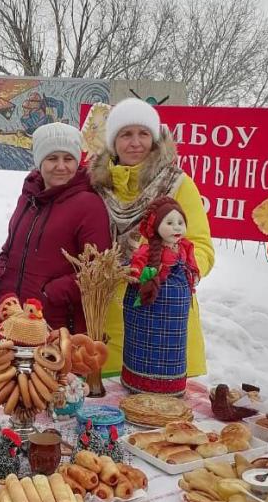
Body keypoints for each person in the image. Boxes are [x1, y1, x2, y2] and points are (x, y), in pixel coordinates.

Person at [88, 97, 214, 378]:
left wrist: (173, 273)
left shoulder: (178, 184)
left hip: (164, 317)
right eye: (126, 134)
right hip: (108, 319)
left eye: (143, 133)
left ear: (155, 139)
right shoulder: (95, 188)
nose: (135, 142)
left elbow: (202, 246)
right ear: (113, 142)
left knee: (164, 415)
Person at [0, 122, 111, 333]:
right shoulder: (28, 198)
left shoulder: (88, 204)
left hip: (59, 328)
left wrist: (48, 294)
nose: (61, 166)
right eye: (52, 158)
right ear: (39, 161)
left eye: (68, 159)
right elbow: (10, 248)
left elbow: (98, 270)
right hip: (16, 321)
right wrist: (1, 283)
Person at [123, 195, 201, 395]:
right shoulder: (146, 252)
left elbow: (192, 266)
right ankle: (139, 381)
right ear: (155, 226)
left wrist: (194, 275)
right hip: (149, 310)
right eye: (169, 223)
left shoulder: (185, 248)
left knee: (173, 348)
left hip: (175, 315)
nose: (176, 228)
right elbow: (137, 268)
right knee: (144, 346)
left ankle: (171, 384)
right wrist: (137, 276)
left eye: (180, 223)